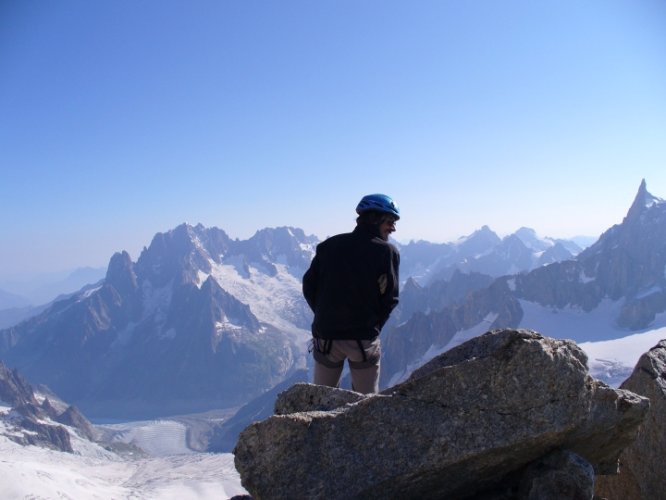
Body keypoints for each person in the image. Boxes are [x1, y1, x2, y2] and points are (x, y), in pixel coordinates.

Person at [302, 193, 400, 394]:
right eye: (390, 221)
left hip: (326, 337)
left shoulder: (328, 246)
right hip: (363, 341)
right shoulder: (386, 252)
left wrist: (323, 315)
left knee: (321, 399)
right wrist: (372, 325)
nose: (393, 227)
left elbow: (308, 286)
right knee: (365, 404)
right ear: (375, 219)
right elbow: (390, 298)